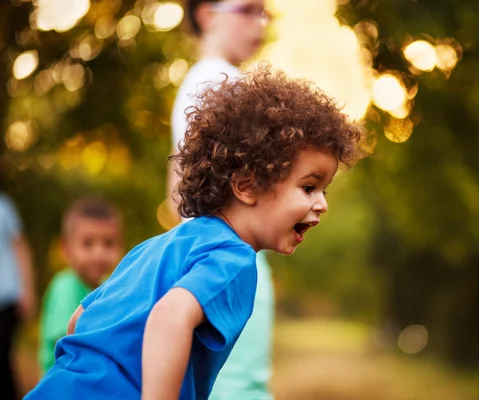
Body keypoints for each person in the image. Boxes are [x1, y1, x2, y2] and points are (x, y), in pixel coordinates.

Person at [24, 65, 365, 400]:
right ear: (246, 186)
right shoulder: (234, 258)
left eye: (324, 190)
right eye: (308, 187)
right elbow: (170, 316)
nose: (322, 204)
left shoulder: (155, 248)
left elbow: (77, 322)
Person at [167, 1, 274, 398]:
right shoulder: (223, 80)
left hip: (211, 253)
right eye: (248, 10)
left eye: (265, 13)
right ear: (207, 15)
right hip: (233, 254)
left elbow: (176, 186)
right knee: (241, 386)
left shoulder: (194, 83)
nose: (260, 22)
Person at [38, 197, 123, 375]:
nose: (99, 253)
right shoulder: (65, 287)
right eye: (88, 243)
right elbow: (68, 345)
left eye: (108, 243)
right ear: (66, 249)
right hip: (63, 386)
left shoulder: (109, 287)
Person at [0, 192, 35, 399]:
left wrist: (27, 290)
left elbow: (20, 247)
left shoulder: (4, 206)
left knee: (2, 355)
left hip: (8, 294)